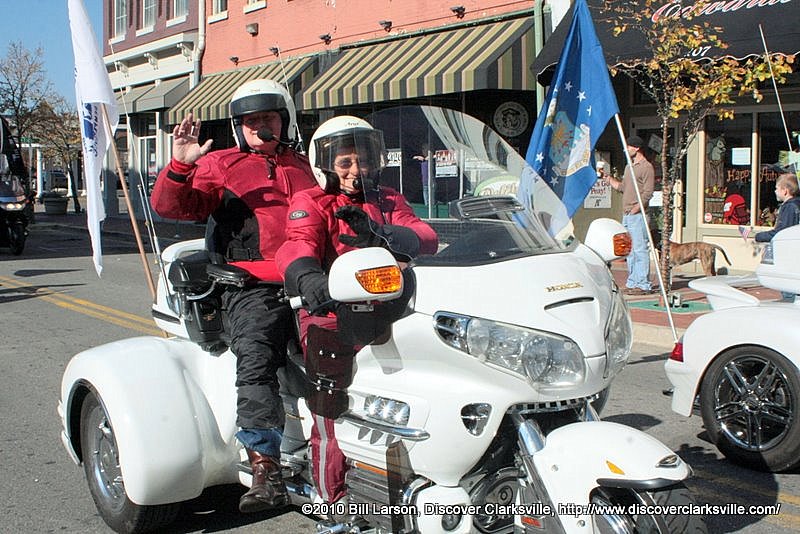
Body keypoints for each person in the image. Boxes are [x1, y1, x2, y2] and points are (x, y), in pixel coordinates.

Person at [150, 79, 318, 513]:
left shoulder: (307, 164)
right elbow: (173, 207)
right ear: (238, 127)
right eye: (251, 121)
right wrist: (181, 165)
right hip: (253, 284)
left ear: (285, 121)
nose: (260, 128)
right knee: (257, 356)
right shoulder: (221, 164)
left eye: (269, 118)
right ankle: (266, 467)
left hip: (314, 279)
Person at [275, 116, 438, 508]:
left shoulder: (388, 200)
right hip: (332, 314)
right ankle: (332, 498)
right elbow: (295, 246)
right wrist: (310, 279)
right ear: (325, 164)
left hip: (392, 311)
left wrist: (381, 233)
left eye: (362, 160)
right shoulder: (311, 201)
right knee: (331, 404)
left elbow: (427, 238)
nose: (355, 170)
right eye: (344, 162)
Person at [603, 135, 655, 295]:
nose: (626, 149)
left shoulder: (646, 167)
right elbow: (623, 187)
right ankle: (633, 282)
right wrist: (609, 180)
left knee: (639, 249)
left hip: (637, 215)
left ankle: (643, 284)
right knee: (630, 251)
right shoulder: (629, 167)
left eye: (628, 147)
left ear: (637, 148)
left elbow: (648, 193)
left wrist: (636, 209)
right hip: (626, 214)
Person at [755, 173, 800, 301]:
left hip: (788, 254)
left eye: (776, 188)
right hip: (794, 254)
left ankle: (790, 303)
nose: (775, 191)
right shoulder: (795, 204)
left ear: (785, 191)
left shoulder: (790, 207)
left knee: (789, 288)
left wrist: (760, 236)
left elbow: (782, 233)